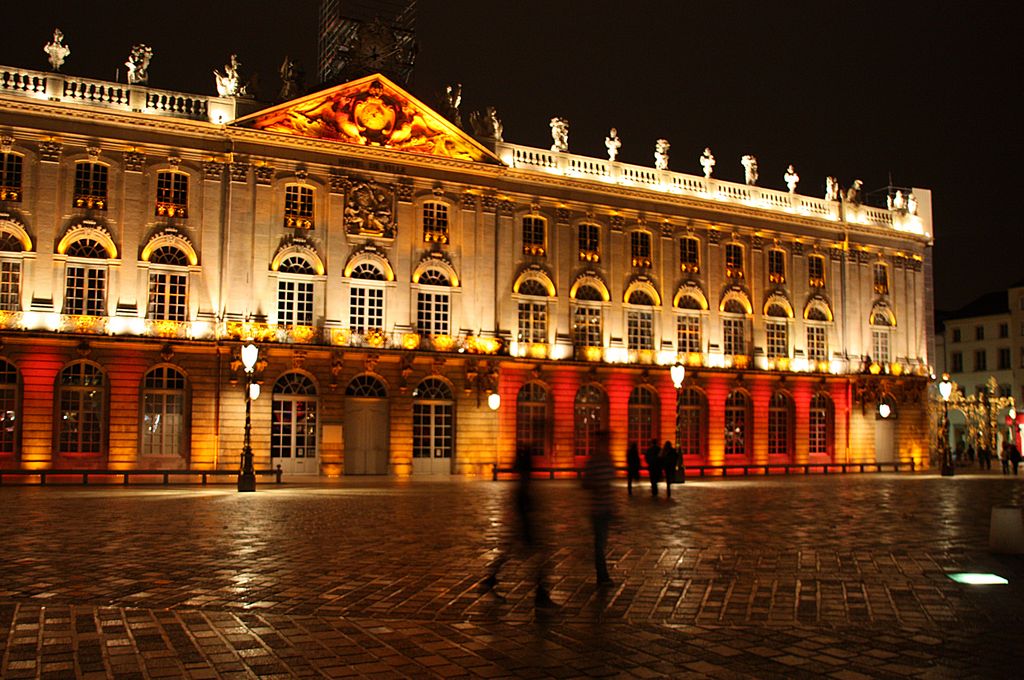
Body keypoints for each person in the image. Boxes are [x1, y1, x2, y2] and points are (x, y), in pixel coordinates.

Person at [483, 445, 557, 608]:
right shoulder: (524, 485)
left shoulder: (523, 484)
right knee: (541, 560)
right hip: (526, 529)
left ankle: (490, 579)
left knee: (510, 555)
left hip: (522, 529)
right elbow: (524, 508)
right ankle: (541, 594)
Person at [583, 433, 616, 587]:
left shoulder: (606, 460)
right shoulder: (596, 461)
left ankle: (602, 575)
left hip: (605, 507)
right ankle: (602, 576)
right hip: (598, 509)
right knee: (600, 544)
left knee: (601, 543)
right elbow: (586, 483)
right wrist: (598, 488)